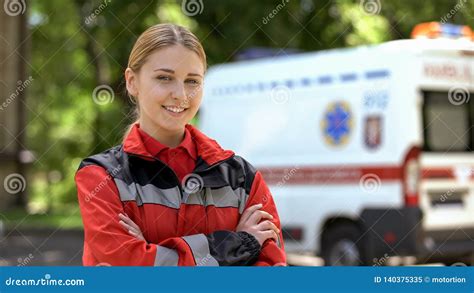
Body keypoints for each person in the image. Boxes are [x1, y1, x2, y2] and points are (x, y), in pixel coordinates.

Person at [75, 23, 286, 266]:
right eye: (164, 78)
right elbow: (124, 271)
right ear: (132, 82)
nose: (181, 94)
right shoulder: (100, 178)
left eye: (192, 81)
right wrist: (237, 244)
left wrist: (153, 256)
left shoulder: (243, 179)